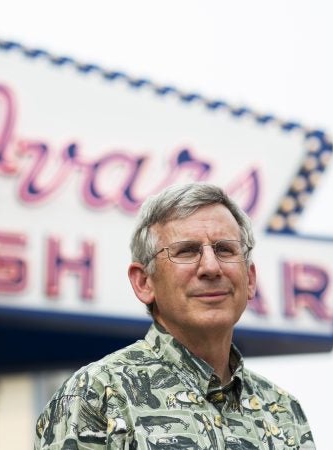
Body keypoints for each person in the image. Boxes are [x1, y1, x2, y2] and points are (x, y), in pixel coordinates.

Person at [34, 182, 315, 449]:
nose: (210, 267)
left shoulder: (283, 412)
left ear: (250, 279)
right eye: (187, 251)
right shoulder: (97, 395)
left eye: (225, 250)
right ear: (144, 282)